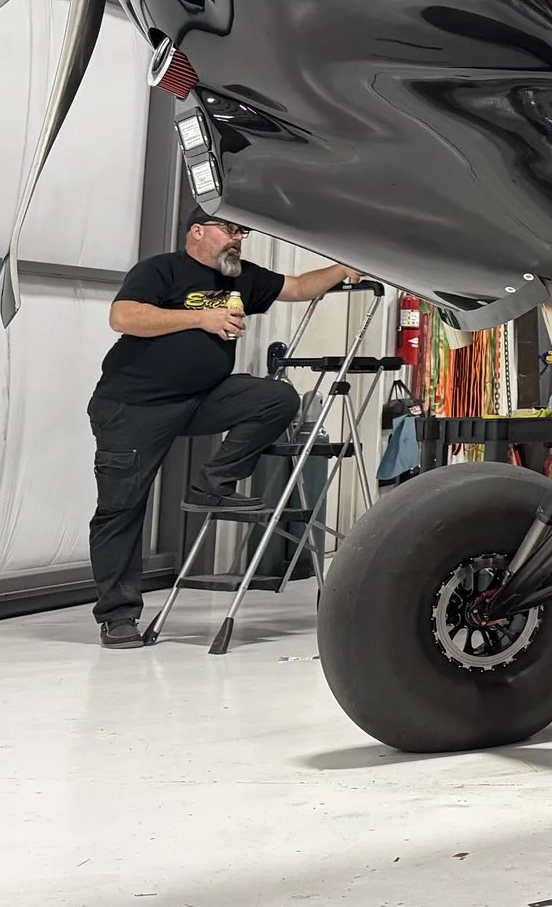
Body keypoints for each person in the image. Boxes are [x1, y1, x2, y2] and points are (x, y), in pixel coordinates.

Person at [86, 211, 357, 649]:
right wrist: (200, 319)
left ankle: (212, 483)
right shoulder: (162, 270)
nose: (239, 239)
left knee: (277, 399)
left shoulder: (243, 278)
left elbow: (298, 286)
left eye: (242, 232)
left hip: (200, 399)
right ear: (198, 232)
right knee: (122, 509)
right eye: (230, 230)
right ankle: (118, 617)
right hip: (133, 408)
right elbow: (124, 317)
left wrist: (342, 268)